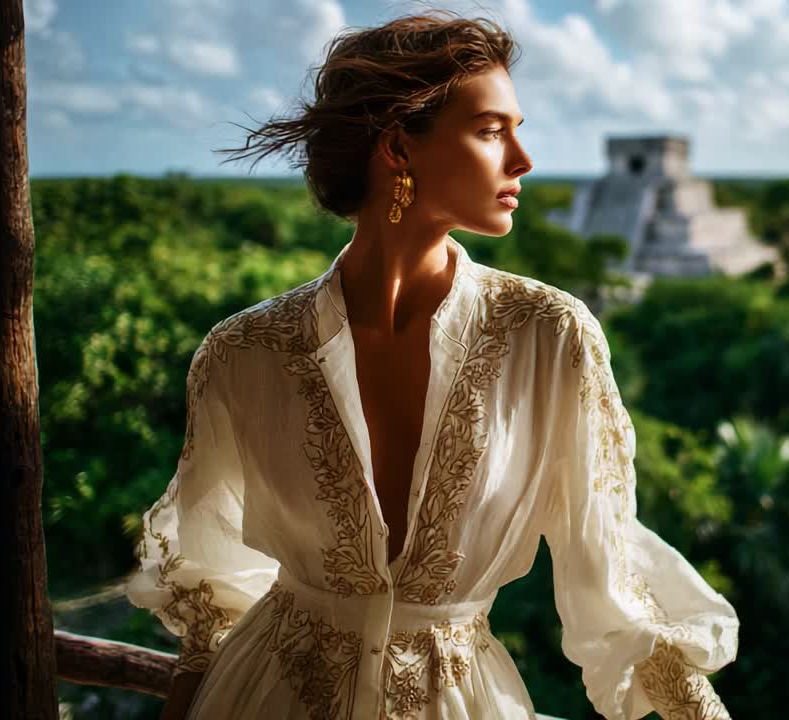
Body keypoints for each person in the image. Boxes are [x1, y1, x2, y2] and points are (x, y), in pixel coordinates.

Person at [124, 9, 739, 719]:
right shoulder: (242, 355)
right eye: (490, 130)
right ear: (398, 149)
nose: (523, 160)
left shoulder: (549, 339)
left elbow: (614, 569)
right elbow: (211, 594)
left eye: (517, 127)